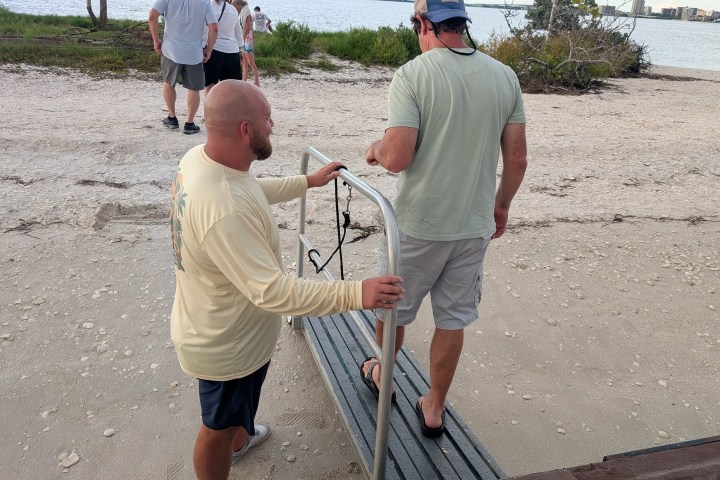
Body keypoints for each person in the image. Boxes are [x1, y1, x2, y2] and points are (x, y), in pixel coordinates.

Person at [170, 80, 404, 480]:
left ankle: (241, 442)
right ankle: (230, 445)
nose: (273, 126)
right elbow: (273, 291)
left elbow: (250, 190)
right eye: (267, 119)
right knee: (217, 428)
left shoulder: (203, 160)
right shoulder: (225, 208)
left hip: (217, 323)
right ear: (246, 130)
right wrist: (358, 293)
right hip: (226, 345)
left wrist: (306, 183)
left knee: (234, 416)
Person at [362, 0, 527, 438]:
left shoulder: (413, 74)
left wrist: (376, 148)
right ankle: (434, 407)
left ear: (425, 24)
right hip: (473, 226)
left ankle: (382, 373)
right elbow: (518, 158)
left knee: (392, 308)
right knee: (452, 320)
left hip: (418, 225)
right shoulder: (504, 77)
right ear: (462, 25)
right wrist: (502, 203)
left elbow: (397, 157)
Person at [149, 0, 218, 134]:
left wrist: (156, 40)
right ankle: (190, 123)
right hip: (194, 53)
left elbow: (152, 16)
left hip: (171, 50)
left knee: (169, 82)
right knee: (194, 88)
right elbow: (214, 28)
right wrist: (209, 50)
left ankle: (172, 117)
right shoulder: (204, 2)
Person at [202, 0, 244, 95]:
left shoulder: (208, 7)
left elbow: (206, 29)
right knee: (232, 87)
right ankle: (229, 108)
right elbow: (238, 31)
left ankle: (210, 108)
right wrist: (240, 50)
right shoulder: (233, 9)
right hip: (232, 52)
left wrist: (204, 47)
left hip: (215, 50)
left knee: (210, 85)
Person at [234, 0, 259, 86]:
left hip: (247, 38)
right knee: (243, 61)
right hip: (244, 37)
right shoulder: (242, 10)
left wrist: (243, 38)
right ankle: (244, 80)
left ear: (238, 4)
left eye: (235, 6)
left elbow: (248, 25)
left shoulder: (246, 9)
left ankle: (257, 81)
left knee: (250, 61)